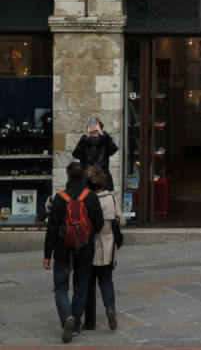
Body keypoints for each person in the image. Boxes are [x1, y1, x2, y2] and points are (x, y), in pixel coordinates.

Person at [43, 159, 105, 343]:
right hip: (85, 249)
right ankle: (76, 325)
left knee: (60, 286)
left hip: (63, 249)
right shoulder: (91, 197)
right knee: (81, 288)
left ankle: (67, 316)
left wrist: (47, 255)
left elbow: (52, 228)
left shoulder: (60, 197)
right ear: (83, 176)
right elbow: (99, 224)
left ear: (68, 176)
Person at [82, 165, 121, 332]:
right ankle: (110, 307)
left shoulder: (86, 199)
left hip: (90, 245)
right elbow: (121, 220)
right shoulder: (111, 199)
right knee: (106, 279)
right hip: (108, 244)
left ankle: (90, 321)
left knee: (89, 283)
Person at [72, 118, 118, 192]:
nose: (94, 128)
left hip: (103, 179)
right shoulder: (84, 140)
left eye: (96, 126)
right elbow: (76, 155)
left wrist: (101, 133)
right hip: (87, 180)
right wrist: (86, 137)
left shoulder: (105, 140)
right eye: (91, 126)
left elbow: (113, 150)